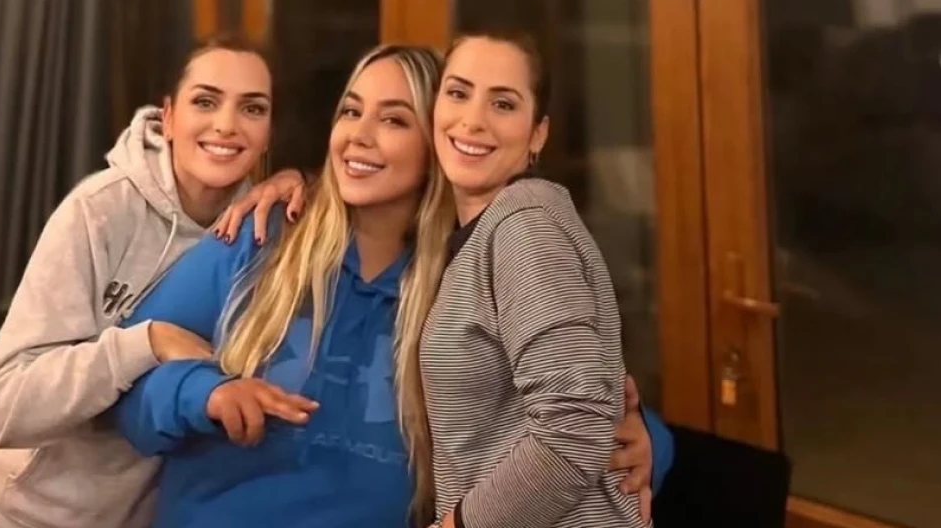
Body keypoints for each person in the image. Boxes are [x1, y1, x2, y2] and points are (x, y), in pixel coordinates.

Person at [109, 44, 666, 528]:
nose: (359, 135)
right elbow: (125, 383)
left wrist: (647, 443)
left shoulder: (468, 280)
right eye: (351, 112)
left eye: (394, 121)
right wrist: (204, 394)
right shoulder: (259, 236)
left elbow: (581, 405)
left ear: (437, 145)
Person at [0, 35, 306, 528]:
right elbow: (3, 408)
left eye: (252, 108)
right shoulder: (98, 213)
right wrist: (147, 342)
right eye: (205, 102)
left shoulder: (264, 234)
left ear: (268, 132)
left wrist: (303, 186)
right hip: (30, 517)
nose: (226, 125)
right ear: (167, 117)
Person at [423, 33, 651, 528]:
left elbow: (575, 426)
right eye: (458, 93)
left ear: (537, 134)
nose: (473, 120)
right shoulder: (480, 232)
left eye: (503, 103)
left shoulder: (523, 225)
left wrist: (458, 526)